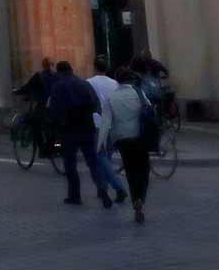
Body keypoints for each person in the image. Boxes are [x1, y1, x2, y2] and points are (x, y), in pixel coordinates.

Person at [47, 60, 112, 208]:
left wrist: (57, 123)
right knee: (93, 163)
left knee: (70, 164)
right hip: (87, 127)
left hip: (69, 130)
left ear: (59, 72)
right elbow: (95, 103)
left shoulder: (58, 86)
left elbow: (54, 110)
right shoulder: (84, 83)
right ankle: (102, 191)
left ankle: (74, 195)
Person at [107, 66, 154, 224]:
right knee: (144, 169)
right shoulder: (138, 93)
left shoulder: (111, 97)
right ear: (130, 79)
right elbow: (148, 108)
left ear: (117, 80)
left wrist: (102, 143)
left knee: (131, 171)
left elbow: (107, 122)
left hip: (123, 139)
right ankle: (141, 198)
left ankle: (135, 200)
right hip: (140, 137)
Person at [86, 55, 130, 205]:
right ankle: (102, 190)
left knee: (100, 158)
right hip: (113, 124)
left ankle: (118, 188)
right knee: (106, 158)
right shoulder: (115, 83)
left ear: (94, 67)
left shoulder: (89, 83)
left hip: (98, 124)